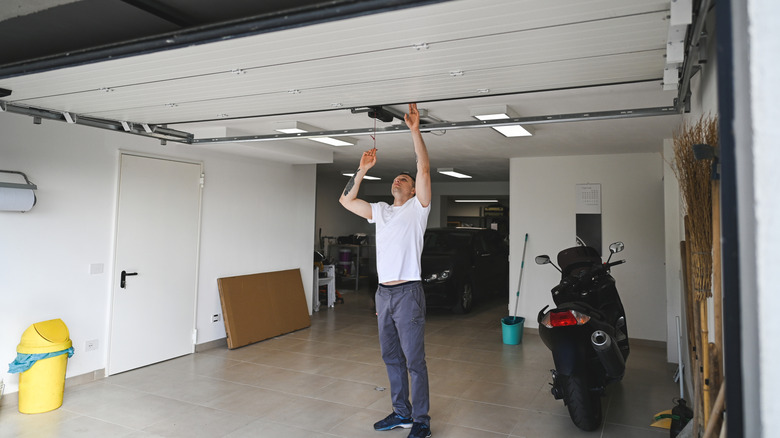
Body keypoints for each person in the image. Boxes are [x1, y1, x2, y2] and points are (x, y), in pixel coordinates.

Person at [339, 103, 432, 438]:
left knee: (413, 360)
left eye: (404, 179)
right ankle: (401, 413)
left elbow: (423, 170)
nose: (400, 179)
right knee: (390, 357)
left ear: (411, 191)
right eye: (397, 177)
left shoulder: (417, 211)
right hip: (384, 293)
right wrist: (362, 168)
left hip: (408, 292)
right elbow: (346, 201)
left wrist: (414, 131)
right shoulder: (380, 211)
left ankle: (421, 421)